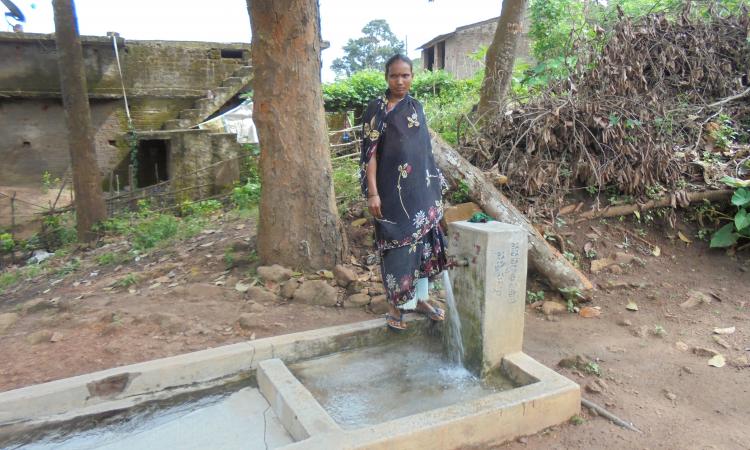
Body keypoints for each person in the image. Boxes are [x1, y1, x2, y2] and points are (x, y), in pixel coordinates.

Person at [359, 54, 449, 331]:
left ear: (412, 76)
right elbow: (369, 155)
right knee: (395, 247)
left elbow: (423, 152)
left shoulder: (416, 107)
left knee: (421, 248)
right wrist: (373, 193)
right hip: (390, 194)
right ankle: (395, 306)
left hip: (419, 193)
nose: (400, 81)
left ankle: (420, 299)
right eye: (394, 76)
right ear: (386, 78)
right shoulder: (377, 110)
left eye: (405, 75)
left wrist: (435, 185)